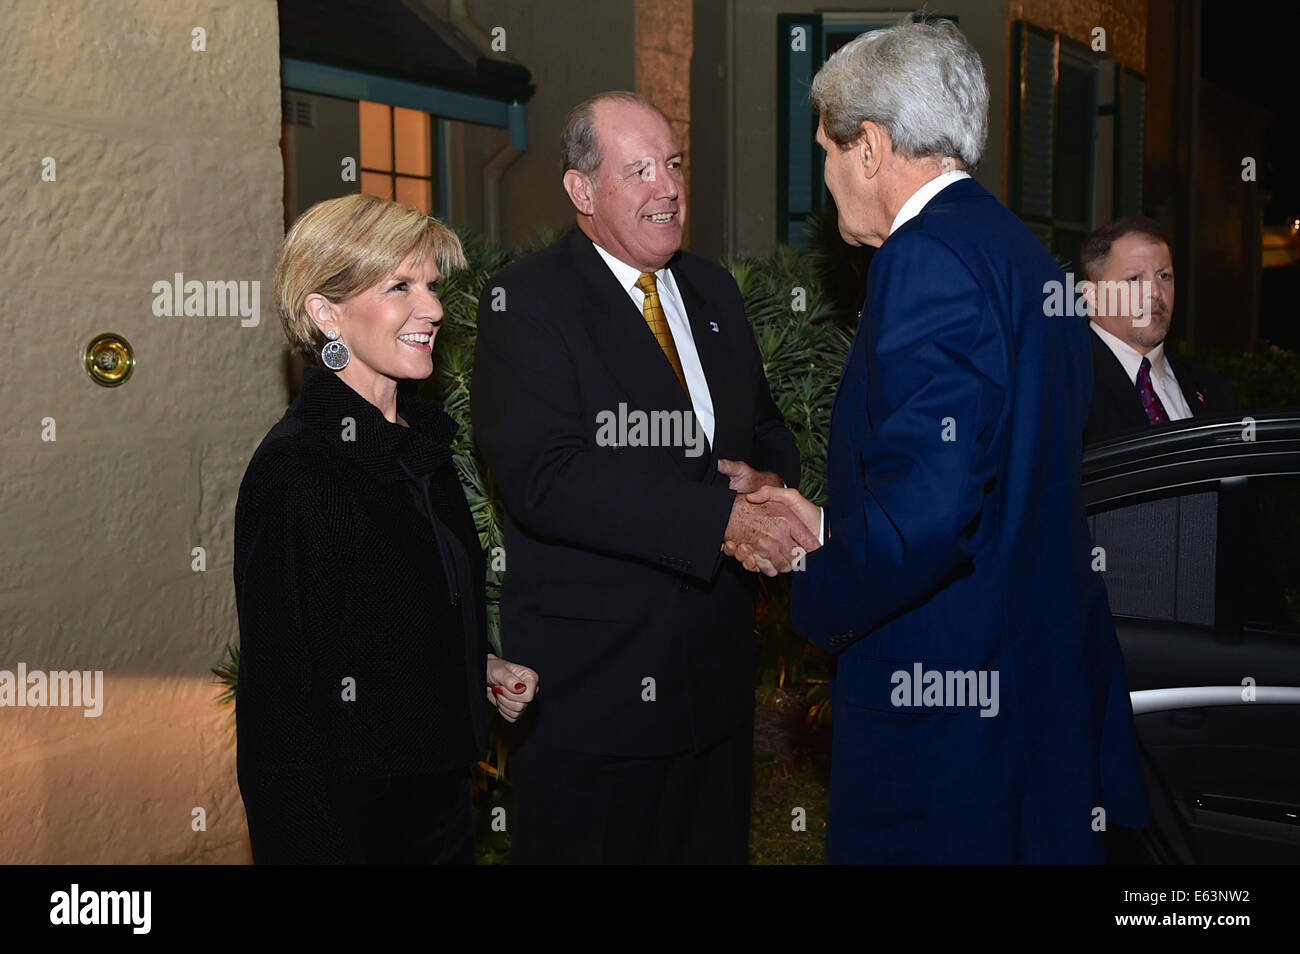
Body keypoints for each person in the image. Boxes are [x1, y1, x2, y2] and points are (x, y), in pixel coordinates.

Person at [733, 19, 1150, 862]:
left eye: (826, 148)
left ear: (873, 147)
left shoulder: (924, 261)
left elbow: (929, 520)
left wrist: (813, 576)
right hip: (1030, 702)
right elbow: (992, 486)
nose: (823, 174)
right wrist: (828, 523)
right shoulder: (1024, 258)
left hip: (944, 732)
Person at [470, 91, 815, 864]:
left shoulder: (713, 291)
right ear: (582, 192)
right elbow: (545, 477)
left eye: (675, 164)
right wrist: (718, 522)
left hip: (716, 694)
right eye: (639, 170)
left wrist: (767, 478)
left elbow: (766, 428)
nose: (668, 187)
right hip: (597, 704)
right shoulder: (527, 303)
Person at [234, 194, 538, 864]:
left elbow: (384, 623)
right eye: (399, 286)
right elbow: (282, 711)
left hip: (443, 808)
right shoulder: (297, 470)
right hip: (354, 832)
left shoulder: (419, 448)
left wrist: (475, 666)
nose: (431, 308)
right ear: (326, 313)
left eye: (430, 286)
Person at [1079, 216, 1238, 444]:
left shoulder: (1215, 391)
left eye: (1164, 276)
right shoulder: (1063, 385)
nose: (1154, 291)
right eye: (1134, 278)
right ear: (1093, 296)